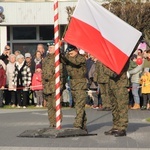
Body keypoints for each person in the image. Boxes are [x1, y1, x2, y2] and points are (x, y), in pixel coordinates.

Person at [61, 44, 87, 131]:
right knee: (78, 106)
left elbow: (75, 62)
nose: (70, 52)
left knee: (80, 106)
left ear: (76, 50)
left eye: (71, 50)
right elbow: (62, 60)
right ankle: (83, 125)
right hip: (72, 84)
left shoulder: (81, 58)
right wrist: (59, 51)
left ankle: (78, 125)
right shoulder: (68, 58)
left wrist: (66, 56)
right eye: (69, 50)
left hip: (80, 85)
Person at [103, 62, 130, 137]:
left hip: (121, 85)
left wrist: (116, 72)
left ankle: (122, 128)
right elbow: (104, 68)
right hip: (112, 85)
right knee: (114, 107)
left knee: (122, 107)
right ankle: (116, 126)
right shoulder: (108, 58)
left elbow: (124, 66)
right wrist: (112, 73)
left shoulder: (123, 57)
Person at [42, 41, 63, 128]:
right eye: (49, 47)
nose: (49, 48)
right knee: (49, 106)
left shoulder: (58, 58)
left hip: (55, 85)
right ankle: (52, 123)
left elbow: (60, 72)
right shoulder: (46, 59)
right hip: (47, 86)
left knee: (56, 105)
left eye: (51, 47)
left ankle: (58, 122)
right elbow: (43, 73)